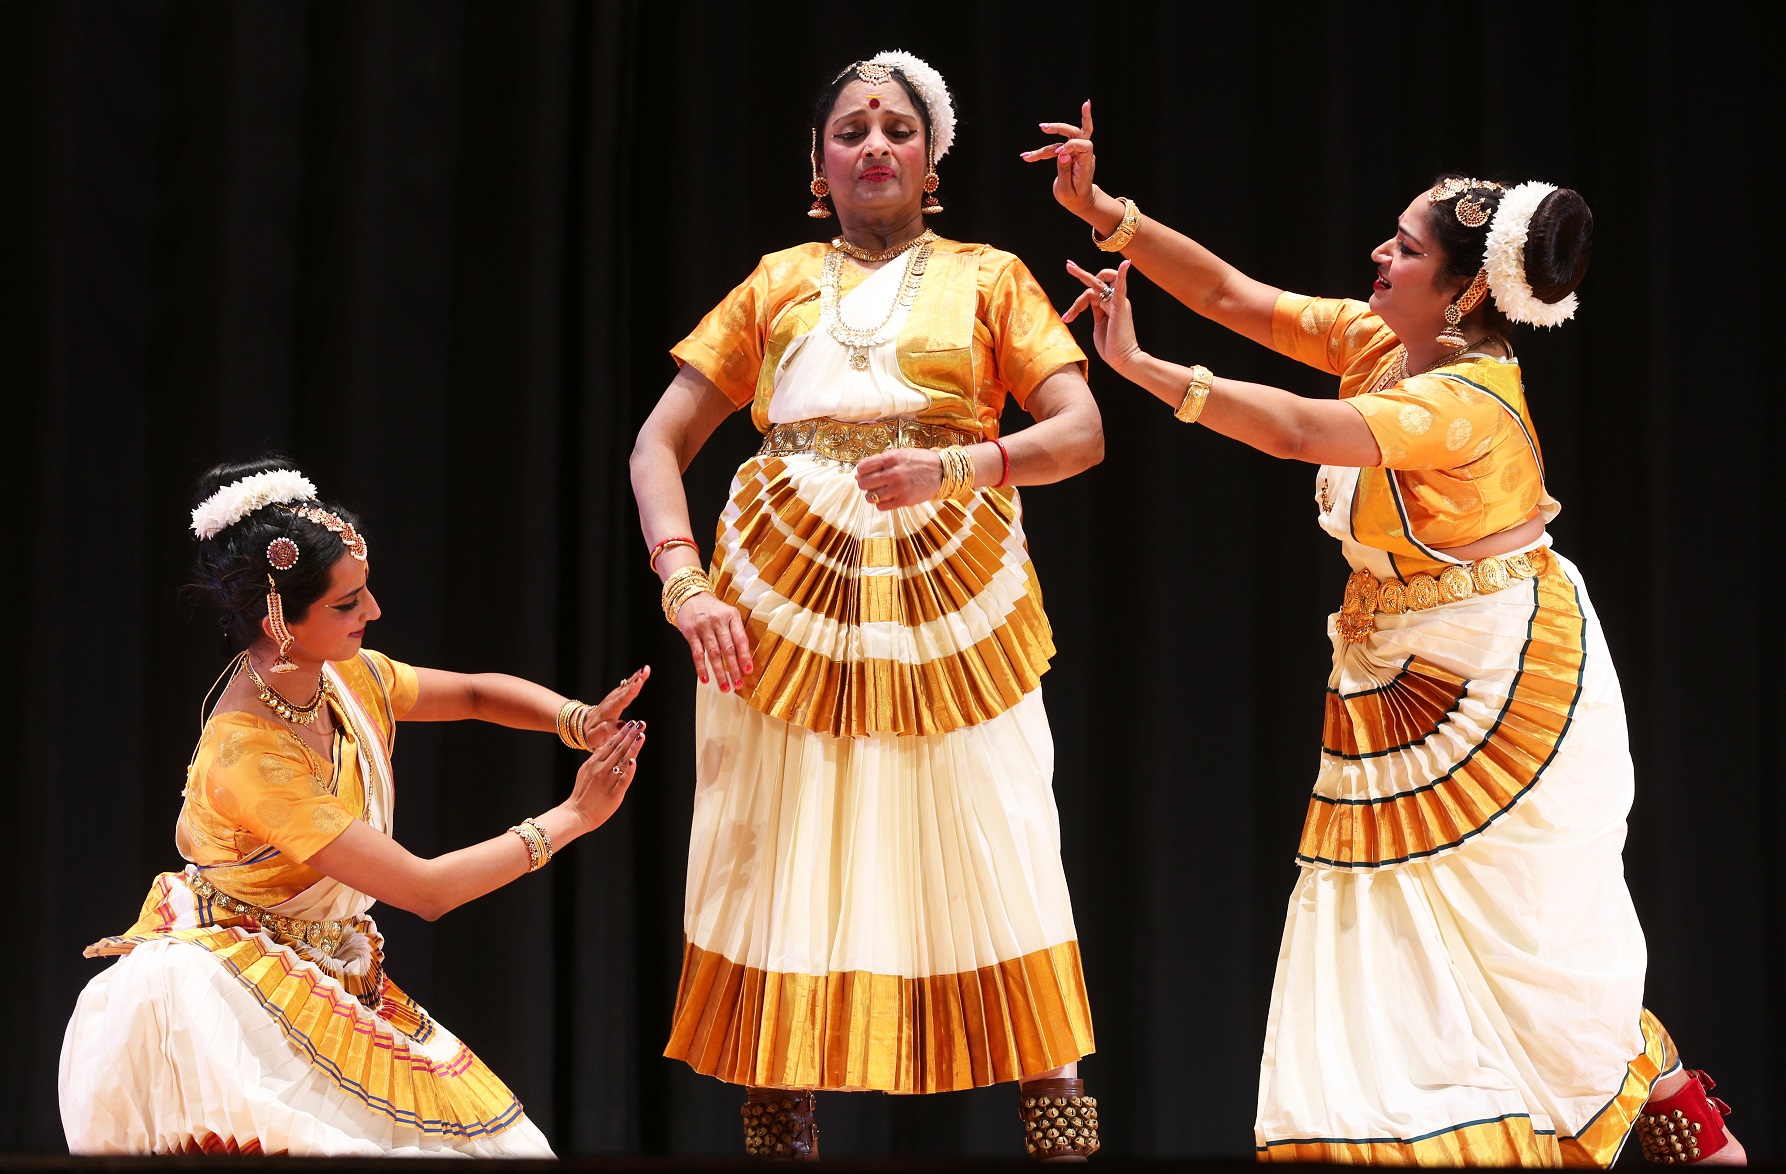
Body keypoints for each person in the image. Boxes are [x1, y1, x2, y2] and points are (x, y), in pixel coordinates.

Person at [1024, 106, 1745, 1166]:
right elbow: (1234, 296)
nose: (1378, 253)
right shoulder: (1383, 348)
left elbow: (1291, 429)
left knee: (1530, 947)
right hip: (1397, 671)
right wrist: (1103, 213)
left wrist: (1140, 370)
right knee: (1401, 934)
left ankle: (1686, 1133)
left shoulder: (1465, 403)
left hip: (1504, 682)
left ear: (1460, 290)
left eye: (1403, 247)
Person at [630, 51, 1105, 1161]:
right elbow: (659, 442)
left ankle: (1059, 1119)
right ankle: (781, 1122)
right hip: (777, 600)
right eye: (851, 130)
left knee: (999, 825)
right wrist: (682, 581)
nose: (874, 146)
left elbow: (1078, 432)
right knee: (778, 832)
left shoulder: (989, 276)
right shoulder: (776, 281)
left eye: (897, 128)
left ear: (932, 160)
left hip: (954, 597)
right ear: (817, 163)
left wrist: (964, 468)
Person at [59, 457, 649, 1156]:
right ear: (278, 618)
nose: (372, 612)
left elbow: (472, 694)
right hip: (228, 992)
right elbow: (424, 891)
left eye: (364, 593)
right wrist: (574, 817)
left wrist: (578, 721)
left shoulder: (340, 677)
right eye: (347, 603)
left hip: (328, 966)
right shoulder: (250, 754)